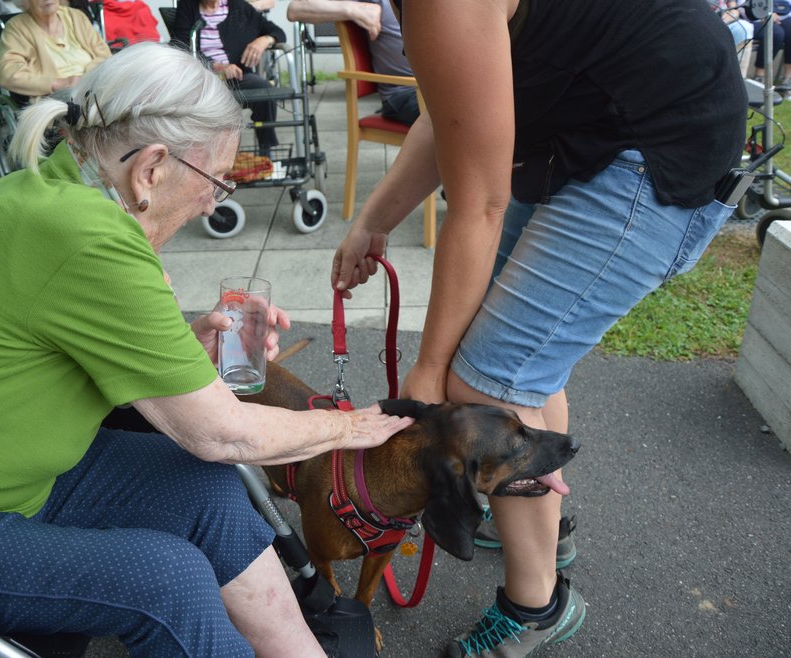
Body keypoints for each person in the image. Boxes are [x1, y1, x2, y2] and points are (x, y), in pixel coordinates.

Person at [0, 41, 414, 657]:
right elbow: (223, 434)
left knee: (206, 489)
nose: (213, 201)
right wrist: (348, 427)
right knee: (164, 578)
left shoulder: (58, 196)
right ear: (151, 167)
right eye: (214, 182)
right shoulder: (86, 238)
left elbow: (64, 342)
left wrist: (188, 346)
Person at [330, 0, 747, 656]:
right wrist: (373, 220)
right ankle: (534, 524)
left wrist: (432, 371)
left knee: (487, 380)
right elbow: (450, 109)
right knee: (517, 365)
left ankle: (536, 607)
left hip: (654, 147)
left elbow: (481, 203)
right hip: (591, 129)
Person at [173, 0, 286, 153]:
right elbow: (180, 46)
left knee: (265, 91)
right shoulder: (187, 7)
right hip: (204, 78)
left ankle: (266, 152)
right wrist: (215, 66)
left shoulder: (239, 7)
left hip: (239, 76)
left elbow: (277, 31)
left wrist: (263, 40)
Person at [288, 0, 420, 125]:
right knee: (437, 112)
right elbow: (295, 9)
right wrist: (353, 9)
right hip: (405, 94)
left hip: (424, 89)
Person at [0, 0, 110, 98]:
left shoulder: (76, 17)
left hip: (95, 84)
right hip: (56, 99)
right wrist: (56, 84)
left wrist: (87, 78)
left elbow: (104, 55)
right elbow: (7, 73)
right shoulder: (17, 28)